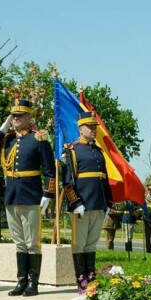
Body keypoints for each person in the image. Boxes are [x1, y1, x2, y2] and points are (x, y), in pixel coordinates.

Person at [0, 99, 55, 297]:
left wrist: (48, 194)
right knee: (19, 242)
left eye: (19, 115)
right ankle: (21, 281)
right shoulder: (7, 140)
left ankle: (33, 283)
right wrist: (2, 129)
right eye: (13, 116)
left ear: (28, 117)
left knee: (32, 243)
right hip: (12, 196)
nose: (15, 118)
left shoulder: (38, 138)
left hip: (31, 196)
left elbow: (50, 171)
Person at [61, 110, 112, 282]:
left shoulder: (98, 151)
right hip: (82, 205)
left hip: (98, 204)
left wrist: (108, 202)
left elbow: (104, 178)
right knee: (79, 244)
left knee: (91, 243)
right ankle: (81, 279)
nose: (94, 130)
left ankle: (91, 277)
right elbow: (67, 182)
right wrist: (75, 203)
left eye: (94, 127)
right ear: (81, 129)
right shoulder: (73, 150)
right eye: (90, 127)